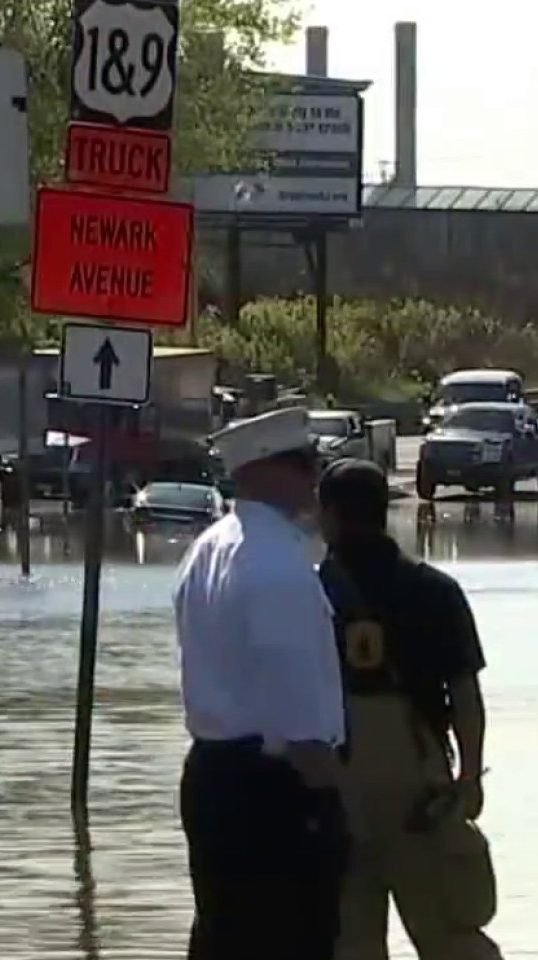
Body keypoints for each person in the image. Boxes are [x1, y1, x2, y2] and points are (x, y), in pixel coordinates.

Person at [174, 407, 349, 960]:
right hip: (273, 791)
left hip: (214, 776)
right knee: (292, 939)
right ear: (267, 471)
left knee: (224, 936)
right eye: (303, 464)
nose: (314, 476)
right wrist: (339, 803)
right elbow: (300, 721)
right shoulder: (276, 564)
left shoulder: (208, 547)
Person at [314, 459, 501, 960]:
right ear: (385, 512)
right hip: (420, 787)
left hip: (335, 786)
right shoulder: (434, 590)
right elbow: (465, 694)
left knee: (349, 942)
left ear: (326, 514)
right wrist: (470, 776)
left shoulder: (308, 594)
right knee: (451, 934)